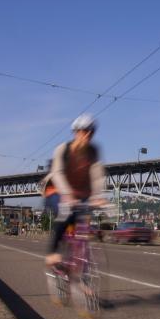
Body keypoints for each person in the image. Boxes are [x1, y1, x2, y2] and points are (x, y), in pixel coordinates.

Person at [43, 114, 107, 266]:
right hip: (55, 190)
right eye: (84, 130)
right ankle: (52, 252)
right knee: (66, 213)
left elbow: (97, 175)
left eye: (91, 131)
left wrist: (98, 196)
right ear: (76, 132)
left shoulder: (93, 151)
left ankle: (81, 277)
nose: (88, 134)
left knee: (84, 228)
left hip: (79, 193)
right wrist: (66, 194)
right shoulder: (63, 149)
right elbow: (57, 173)